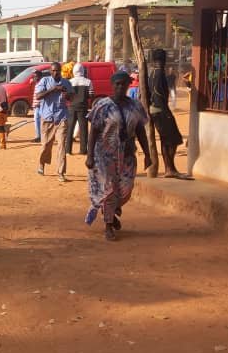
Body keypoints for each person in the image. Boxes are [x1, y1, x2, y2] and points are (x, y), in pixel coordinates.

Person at [85, 72, 151, 241]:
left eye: (124, 84)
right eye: (117, 84)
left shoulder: (135, 106)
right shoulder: (102, 106)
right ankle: (108, 225)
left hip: (127, 154)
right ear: (112, 85)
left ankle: (112, 211)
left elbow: (140, 130)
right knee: (109, 190)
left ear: (129, 85)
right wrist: (90, 154)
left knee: (125, 189)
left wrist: (148, 154)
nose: (120, 87)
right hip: (105, 156)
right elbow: (93, 131)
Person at [147, 49, 192, 179]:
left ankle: (169, 168)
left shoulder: (152, 73)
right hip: (160, 110)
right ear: (163, 60)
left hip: (156, 110)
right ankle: (170, 168)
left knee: (166, 140)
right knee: (174, 139)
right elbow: (158, 94)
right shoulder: (159, 73)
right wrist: (167, 112)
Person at [34, 62, 73, 182]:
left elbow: (71, 97)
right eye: (53, 71)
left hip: (62, 117)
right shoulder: (45, 81)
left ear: (60, 71)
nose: (56, 73)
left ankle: (61, 172)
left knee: (61, 145)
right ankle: (42, 164)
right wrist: (53, 89)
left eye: (57, 70)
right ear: (50, 71)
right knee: (46, 145)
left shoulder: (66, 82)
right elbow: (39, 96)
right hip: (47, 117)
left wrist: (67, 95)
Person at [65, 63, 94, 155]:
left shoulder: (70, 82)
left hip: (72, 107)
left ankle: (68, 150)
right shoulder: (88, 82)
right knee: (83, 129)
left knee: (70, 128)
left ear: (74, 71)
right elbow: (91, 94)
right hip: (83, 107)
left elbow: (67, 95)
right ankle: (83, 150)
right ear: (83, 70)